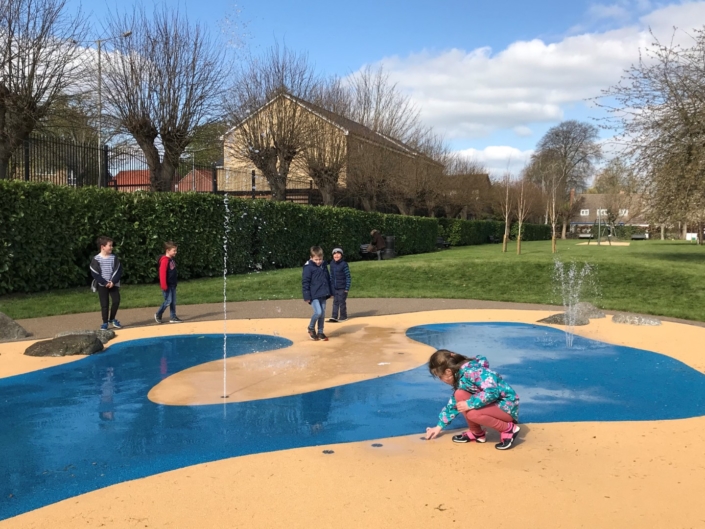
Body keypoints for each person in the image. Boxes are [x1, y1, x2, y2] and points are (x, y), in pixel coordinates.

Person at [424, 349, 521, 450]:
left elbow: (492, 391)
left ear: (448, 371)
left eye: (440, 376)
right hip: (494, 405)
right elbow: (454, 404)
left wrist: (470, 403)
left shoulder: (472, 372)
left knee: (472, 414)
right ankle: (476, 433)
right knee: (459, 394)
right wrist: (439, 426)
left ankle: (508, 429)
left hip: (507, 407)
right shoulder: (461, 376)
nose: (441, 380)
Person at [90, 236, 123, 330]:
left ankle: (112, 319)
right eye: (110, 245)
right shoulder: (96, 259)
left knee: (116, 301)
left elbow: (118, 270)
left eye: (112, 245)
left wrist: (113, 281)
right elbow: (95, 273)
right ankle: (105, 322)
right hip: (102, 285)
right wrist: (104, 282)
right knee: (104, 305)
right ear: (102, 247)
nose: (112, 247)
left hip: (113, 284)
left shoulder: (114, 258)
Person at [302, 246, 332, 341]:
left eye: (320, 259)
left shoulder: (323, 265)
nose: (318, 261)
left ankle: (320, 332)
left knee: (322, 313)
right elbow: (305, 282)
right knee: (318, 312)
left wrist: (330, 291)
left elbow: (328, 279)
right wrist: (307, 296)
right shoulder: (308, 268)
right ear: (311, 258)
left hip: (323, 293)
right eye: (316, 259)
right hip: (313, 294)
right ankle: (311, 328)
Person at [155, 241, 183, 324]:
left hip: (172, 284)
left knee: (173, 302)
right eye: (174, 250)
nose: (176, 252)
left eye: (176, 250)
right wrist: (164, 285)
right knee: (168, 301)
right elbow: (162, 273)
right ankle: (158, 314)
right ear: (168, 250)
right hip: (167, 285)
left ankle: (173, 317)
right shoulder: (164, 260)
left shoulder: (171, 260)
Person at [328, 247, 351, 323]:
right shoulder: (332, 264)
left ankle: (343, 316)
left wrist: (347, 288)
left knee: (341, 302)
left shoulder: (344, 264)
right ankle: (334, 316)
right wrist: (331, 288)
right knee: (335, 302)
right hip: (335, 287)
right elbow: (331, 276)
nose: (336, 255)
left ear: (341, 255)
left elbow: (348, 276)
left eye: (338, 254)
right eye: (334, 254)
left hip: (342, 287)